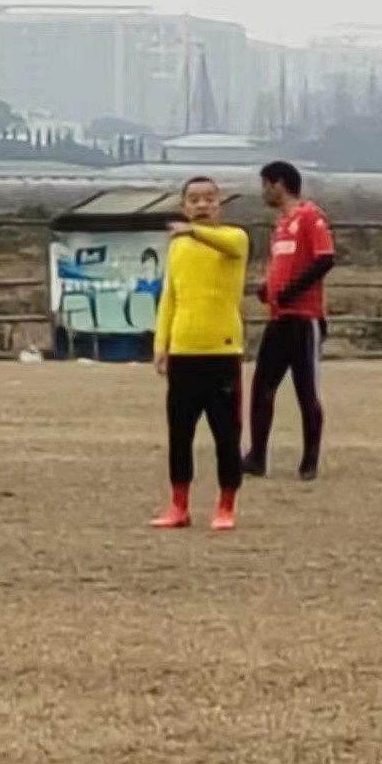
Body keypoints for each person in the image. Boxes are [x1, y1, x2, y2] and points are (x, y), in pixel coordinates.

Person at [150, 177, 250, 531]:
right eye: (194, 199)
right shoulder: (178, 247)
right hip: (183, 351)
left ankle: (226, 506)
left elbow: (225, 241)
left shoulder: (233, 239)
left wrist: (191, 232)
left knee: (226, 433)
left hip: (222, 351)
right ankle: (179, 505)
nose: (202, 205)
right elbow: (170, 296)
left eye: (209, 198)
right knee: (180, 433)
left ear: (220, 204)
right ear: (183, 205)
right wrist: (161, 344)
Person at [243, 160, 335, 482]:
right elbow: (282, 265)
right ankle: (257, 455)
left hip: (303, 318)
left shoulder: (310, 217)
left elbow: (325, 259)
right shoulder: (281, 224)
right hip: (278, 317)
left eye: (265, 185)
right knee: (262, 387)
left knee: (305, 390)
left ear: (278, 184)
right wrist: (269, 288)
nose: (263, 192)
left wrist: (293, 291)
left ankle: (309, 460)